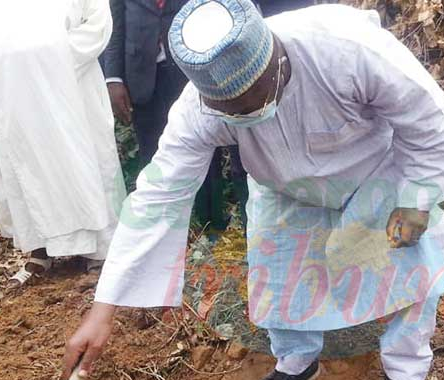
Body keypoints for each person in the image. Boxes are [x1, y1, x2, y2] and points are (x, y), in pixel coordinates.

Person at [64, 1, 444, 380]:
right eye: (228, 110)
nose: (242, 114)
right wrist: (105, 308)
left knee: (412, 266)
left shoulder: (346, 49)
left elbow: (428, 119)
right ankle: (296, 363)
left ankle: (405, 374)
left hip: (375, 174)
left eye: (250, 103)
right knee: (280, 273)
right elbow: (157, 197)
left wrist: (416, 201)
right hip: (283, 189)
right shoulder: (199, 108)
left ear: (276, 64)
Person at [0, 0, 127, 286]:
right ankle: (40, 251)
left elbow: (97, 22)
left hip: (71, 86)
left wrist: (52, 56)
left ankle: (99, 251)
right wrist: (2, 55)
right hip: (13, 91)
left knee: (83, 160)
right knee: (28, 168)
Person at [104, 0, 314, 233]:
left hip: (193, 68)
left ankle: (214, 224)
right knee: (154, 155)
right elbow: (115, 25)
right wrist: (114, 78)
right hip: (142, 75)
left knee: (207, 151)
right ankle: (167, 232)